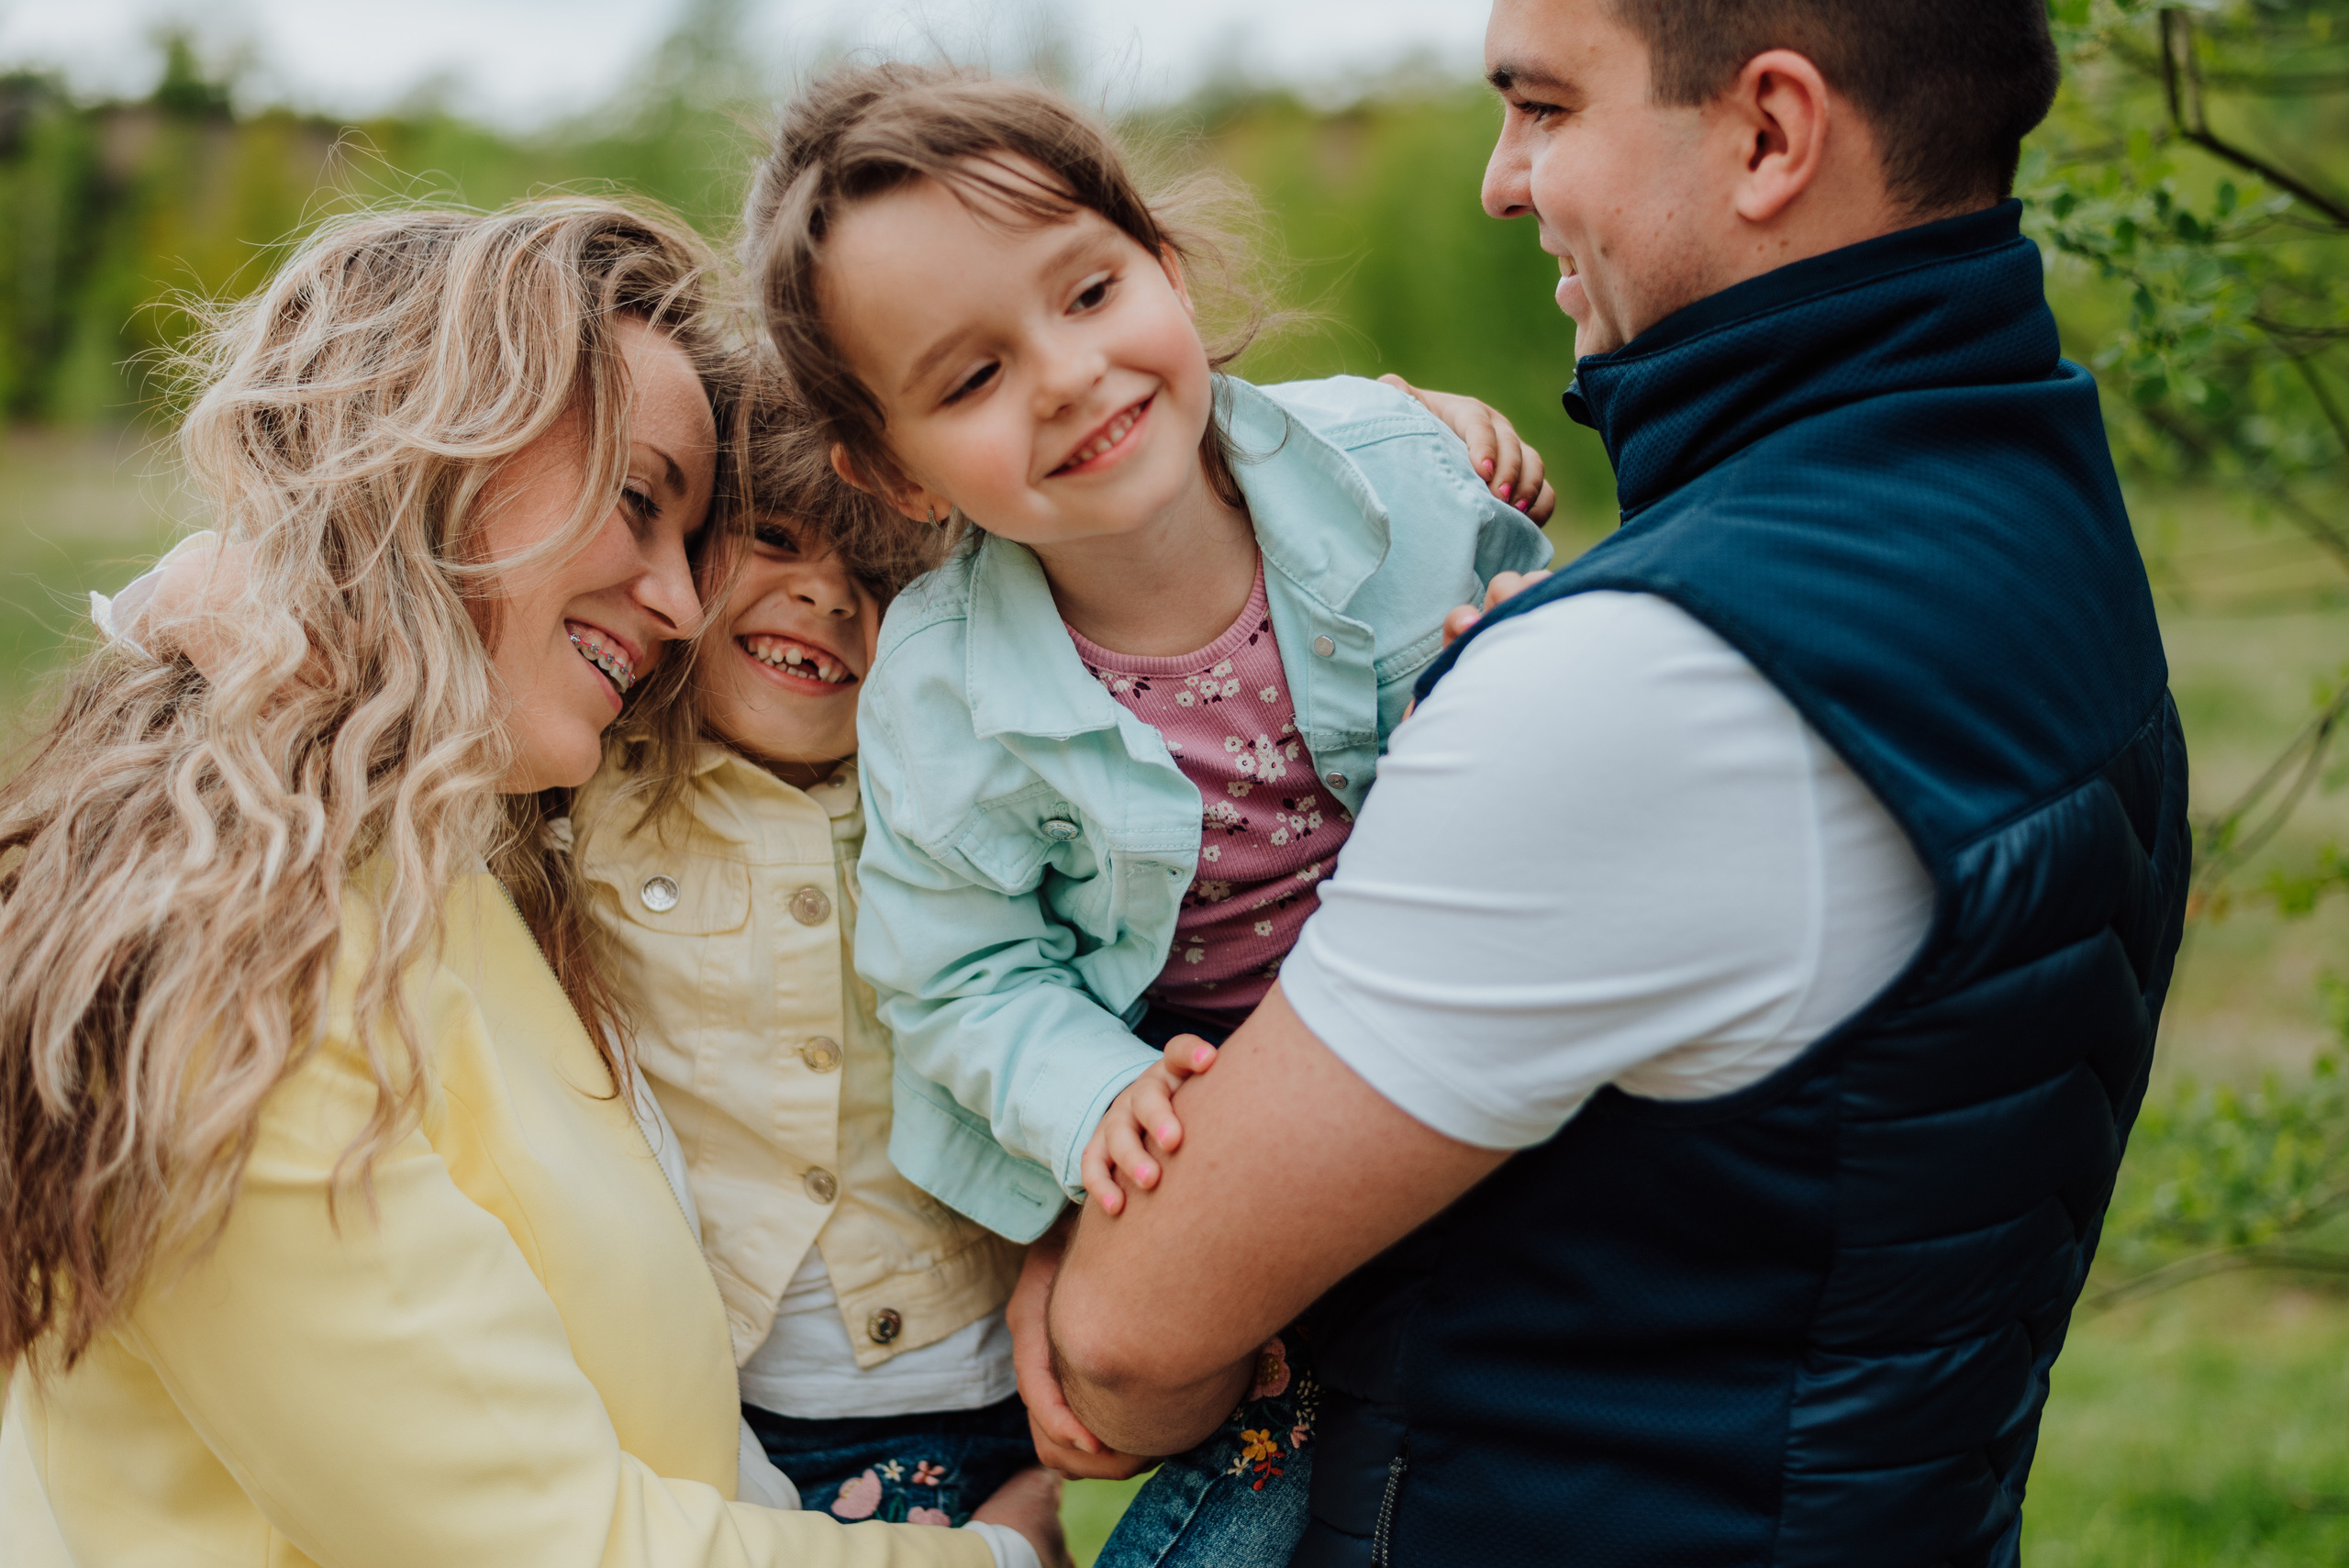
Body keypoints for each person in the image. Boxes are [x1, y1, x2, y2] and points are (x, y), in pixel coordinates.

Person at [1032, 4, 2192, 1567]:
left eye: (1545, 107)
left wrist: (1061, 1276)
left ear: (1770, 133)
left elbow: (1131, 1333)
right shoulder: (2031, 497)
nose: (1502, 182)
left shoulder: (1647, 680)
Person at [0, 198, 1060, 1568]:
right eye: (639, 501)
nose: (681, 605)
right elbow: (555, 1542)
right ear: (435, 451)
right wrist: (998, 1558)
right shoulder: (237, 965)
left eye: (694, 533)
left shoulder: (448, 854)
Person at [739, 63, 1556, 1568]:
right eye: (970, 378)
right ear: (888, 467)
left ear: (1167, 267)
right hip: (1221, 1111)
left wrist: (1530, 628)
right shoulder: (945, 688)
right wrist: (1094, 1093)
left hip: (1466, 1041)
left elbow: (1549, 657)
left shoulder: (1392, 475)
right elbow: (961, 973)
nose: (1064, 374)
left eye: (1091, 290)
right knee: (1234, 1450)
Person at [570, 367, 1540, 1538]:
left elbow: (1112, 428)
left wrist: (1395, 418)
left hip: (970, 1377)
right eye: (770, 540)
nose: (826, 597)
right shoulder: (600, 786)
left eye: (876, 580)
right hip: (724, 1389)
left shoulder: (977, 785)